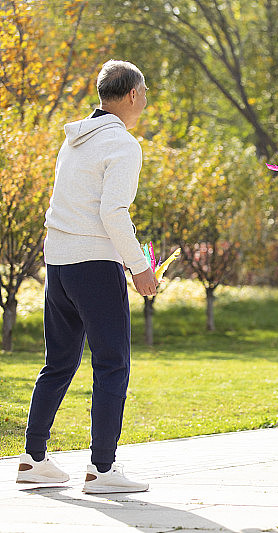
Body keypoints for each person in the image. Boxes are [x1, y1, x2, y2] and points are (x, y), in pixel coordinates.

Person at [16, 60, 156, 494]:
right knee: (112, 363)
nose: (146, 98)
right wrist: (140, 267)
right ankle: (102, 469)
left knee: (58, 363)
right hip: (96, 266)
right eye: (145, 91)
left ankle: (33, 459)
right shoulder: (123, 145)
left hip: (58, 264)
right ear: (133, 94)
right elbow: (113, 213)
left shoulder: (74, 140)